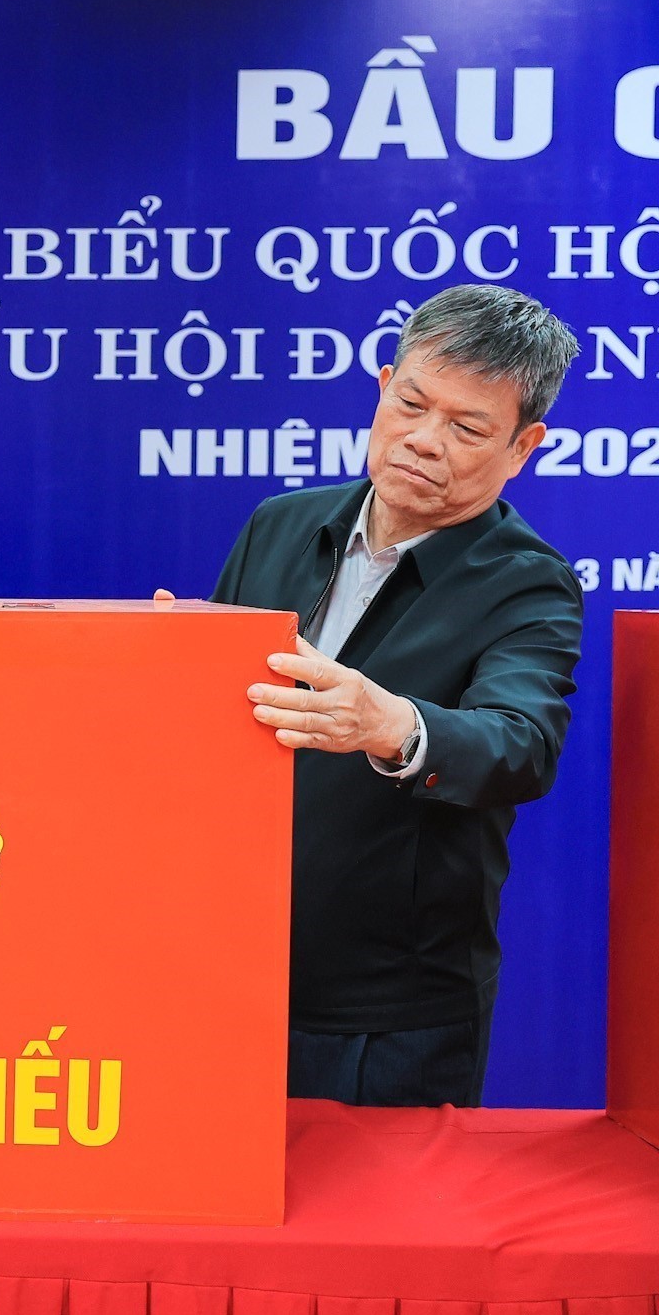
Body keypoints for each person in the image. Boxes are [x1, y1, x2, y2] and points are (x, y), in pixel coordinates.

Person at [206, 284, 581, 1108]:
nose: (423, 439)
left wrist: (393, 724)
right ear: (383, 387)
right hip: (225, 974)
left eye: (467, 428)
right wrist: (170, 666)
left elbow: (519, 744)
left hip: (390, 1014)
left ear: (523, 447)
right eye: (411, 404)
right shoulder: (278, 524)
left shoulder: (528, 582)